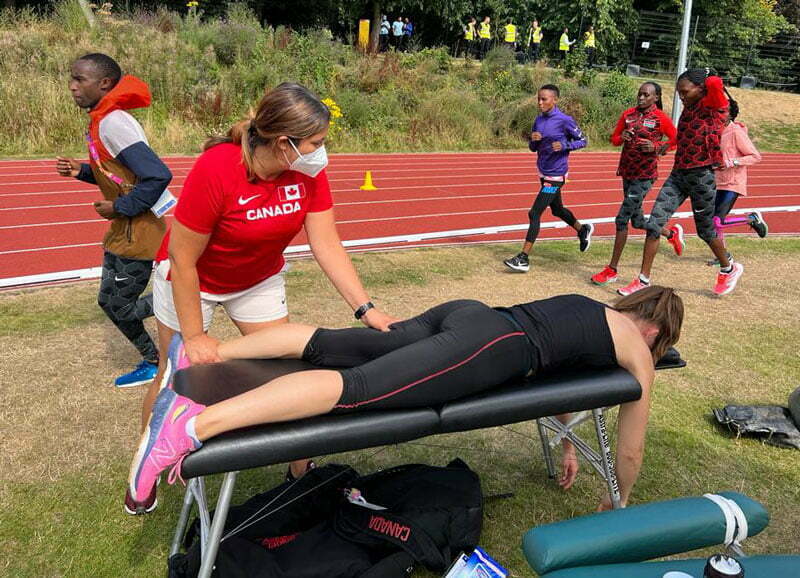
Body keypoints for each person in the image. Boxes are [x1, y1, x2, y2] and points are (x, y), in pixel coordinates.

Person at [129, 286, 684, 512]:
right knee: (358, 389)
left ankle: (204, 355)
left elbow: (560, 381)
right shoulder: (636, 347)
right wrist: (619, 501)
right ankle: (194, 427)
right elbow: (630, 447)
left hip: (468, 314)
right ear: (657, 332)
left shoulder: (590, 306)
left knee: (337, 344)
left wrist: (564, 443)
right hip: (491, 346)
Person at [128, 82, 397, 515]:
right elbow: (182, 257)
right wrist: (194, 337)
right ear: (284, 143)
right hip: (192, 278)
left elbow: (326, 243)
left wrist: (366, 308)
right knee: (172, 376)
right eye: (316, 143)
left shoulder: (306, 172)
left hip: (257, 280)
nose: (322, 153)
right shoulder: (218, 168)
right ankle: (149, 465)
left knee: (290, 372)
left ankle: (300, 472)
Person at [56, 53, 170, 388]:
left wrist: (120, 207)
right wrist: (82, 171)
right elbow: (120, 176)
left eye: (80, 79)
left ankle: (162, 342)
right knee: (109, 301)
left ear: (104, 83)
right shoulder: (103, 119)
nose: (72, 86)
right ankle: (158, 349)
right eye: (72, 78)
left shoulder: (113, 123)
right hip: (123, 229)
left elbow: (157, 175)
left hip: (138, 231)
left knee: (118, 305)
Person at [617, 68, 743, 297]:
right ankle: (643, 280)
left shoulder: (714, 107)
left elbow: (715, 84)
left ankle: (728, 267)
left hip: (702, 176)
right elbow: (679, 138)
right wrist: (663, 147)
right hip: (678, 175)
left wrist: (707, 74)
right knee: (654, 224)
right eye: (679, 93)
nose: (681, 97)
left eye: (685, 92)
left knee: (706, 231)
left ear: (701, 88)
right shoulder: (689, 107)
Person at [592, 82, 681, 286]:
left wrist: (657, 146)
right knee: (638, 221)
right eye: (639, 94)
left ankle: (612, 269)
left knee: (621, 220)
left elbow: (676, 140)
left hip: (645, 175)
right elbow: (614, 139)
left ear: (656, 98)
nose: (641, 98)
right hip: (627, 172)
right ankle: (670, 233)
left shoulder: (661, 118)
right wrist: (620, 137)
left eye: (646, 95)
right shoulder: (628, 115)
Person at [504, 84, 593, 273]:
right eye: (538, 99)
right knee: (557, 209)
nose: (540, 102)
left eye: (544, 99)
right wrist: (533, 140)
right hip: (543, 171)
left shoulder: (565, 120)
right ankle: (582, 229)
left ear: (555, 100)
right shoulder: (538, 120)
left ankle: (523, 258)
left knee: (534, 213)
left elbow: (583, 141)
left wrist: (565, 145)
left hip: (556, 176)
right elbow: (533, 148)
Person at [709, 95, 767, 265]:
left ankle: (752, 219)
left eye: (723, 110)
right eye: (717, 110)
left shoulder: (736, 132)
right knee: (714, 222)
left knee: (717, 219)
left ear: (731, 114)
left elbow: (755, 156)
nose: (719, 113)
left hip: (733, 182)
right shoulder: (714, 130)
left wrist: (731, 162)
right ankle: (722, 255)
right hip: (717, 181)